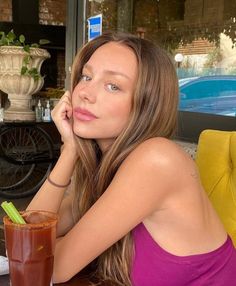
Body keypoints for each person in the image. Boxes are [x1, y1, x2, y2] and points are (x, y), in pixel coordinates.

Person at [27, 31, 236, 286]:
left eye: (113, 86)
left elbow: (49, 267)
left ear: (146, 105)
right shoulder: (104, 167)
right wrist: (69, 151)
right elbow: (30, 232)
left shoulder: (157, 160)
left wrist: (48, 248)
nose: (85, 93)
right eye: (86, 76)